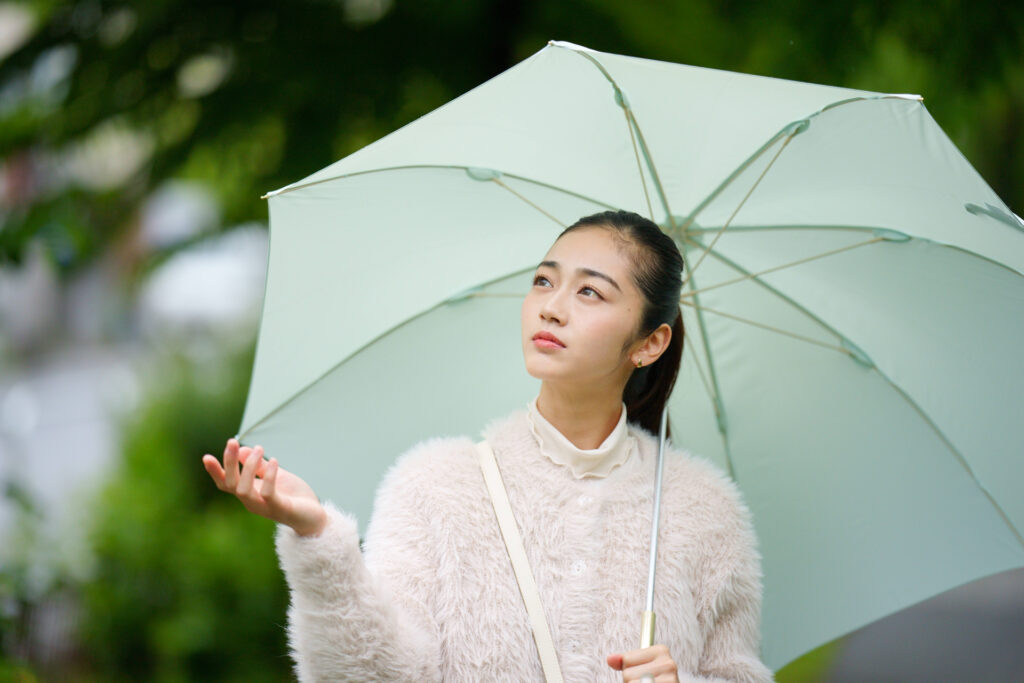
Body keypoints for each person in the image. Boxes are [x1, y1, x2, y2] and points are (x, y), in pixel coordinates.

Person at [203, 210, 774, 682]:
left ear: (650, 343)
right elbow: (372, 675)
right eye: (544, 281)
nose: (551, 306)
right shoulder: (436, 485)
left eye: (591, 293)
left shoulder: (705, 512)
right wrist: (316, 538)